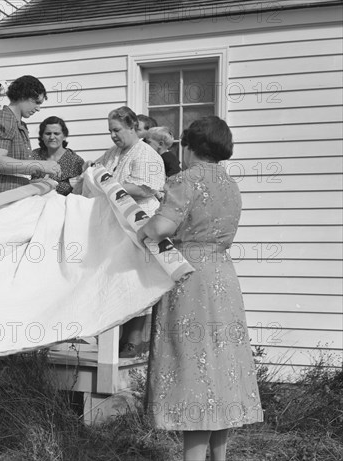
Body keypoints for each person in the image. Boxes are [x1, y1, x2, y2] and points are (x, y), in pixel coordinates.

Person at [137, 116, 263, 460]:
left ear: (191, 147)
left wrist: (141, 227)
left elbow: (161, 227)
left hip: (191, 277)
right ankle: (218, 458)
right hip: (223, 275)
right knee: (221, 368)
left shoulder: (185, 180)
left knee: (194, 369)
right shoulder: (230, 185)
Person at [87, 106, 166, 358]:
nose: (113, 135)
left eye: (117, 130)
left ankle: (133, 340)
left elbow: (145, 188)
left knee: (136, 279)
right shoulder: (113, 153)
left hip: (140, 223)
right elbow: (97, 172)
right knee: (116, 280)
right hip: (116, 225)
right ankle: (113, 338)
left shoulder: (147, 154)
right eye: (110, 131)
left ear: (132, 127)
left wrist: (111, 184)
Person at [0, 75, 61, 197]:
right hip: (1, 196)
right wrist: (41, 165)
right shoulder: (4, 118)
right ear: (23, 96)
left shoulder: (19, 124)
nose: (38, 108)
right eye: (37, 102)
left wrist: (32, 183)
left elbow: (15, 172)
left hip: (15, 194)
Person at [31, 116, 84, 196]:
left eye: (56, 133)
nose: (52, 137)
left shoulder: (75, 161)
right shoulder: (33, 156)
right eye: (48, 133)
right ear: (42, 137)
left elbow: (81, 190)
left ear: (64, 136)